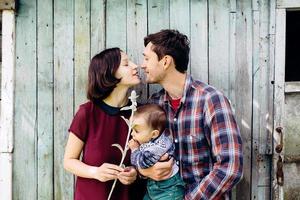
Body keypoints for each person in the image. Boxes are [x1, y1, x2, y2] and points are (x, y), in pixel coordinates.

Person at [139, 29, 243, 199]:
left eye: (147, 58)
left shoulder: (210, 100)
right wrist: (144, 170)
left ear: (165, 61)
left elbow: (230, 168)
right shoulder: (154, 105)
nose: (142, 65)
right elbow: (142, 153)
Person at [63, 47, 145, 200]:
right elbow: (69, 161)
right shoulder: (87, 113)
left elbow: (149, 157)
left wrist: (136, 172)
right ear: (109, 73)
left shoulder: (141, 114)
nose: (136, 66)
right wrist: (95, 172)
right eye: (126, 64)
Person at [128, 104, 185, 200]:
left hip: (169, 190)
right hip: (154, 187)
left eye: (136, 131)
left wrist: (134, 149)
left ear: (154, 134)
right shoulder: (151, 140)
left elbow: (141, 163)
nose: (132, 134)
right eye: (132, 130)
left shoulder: (158, 147)